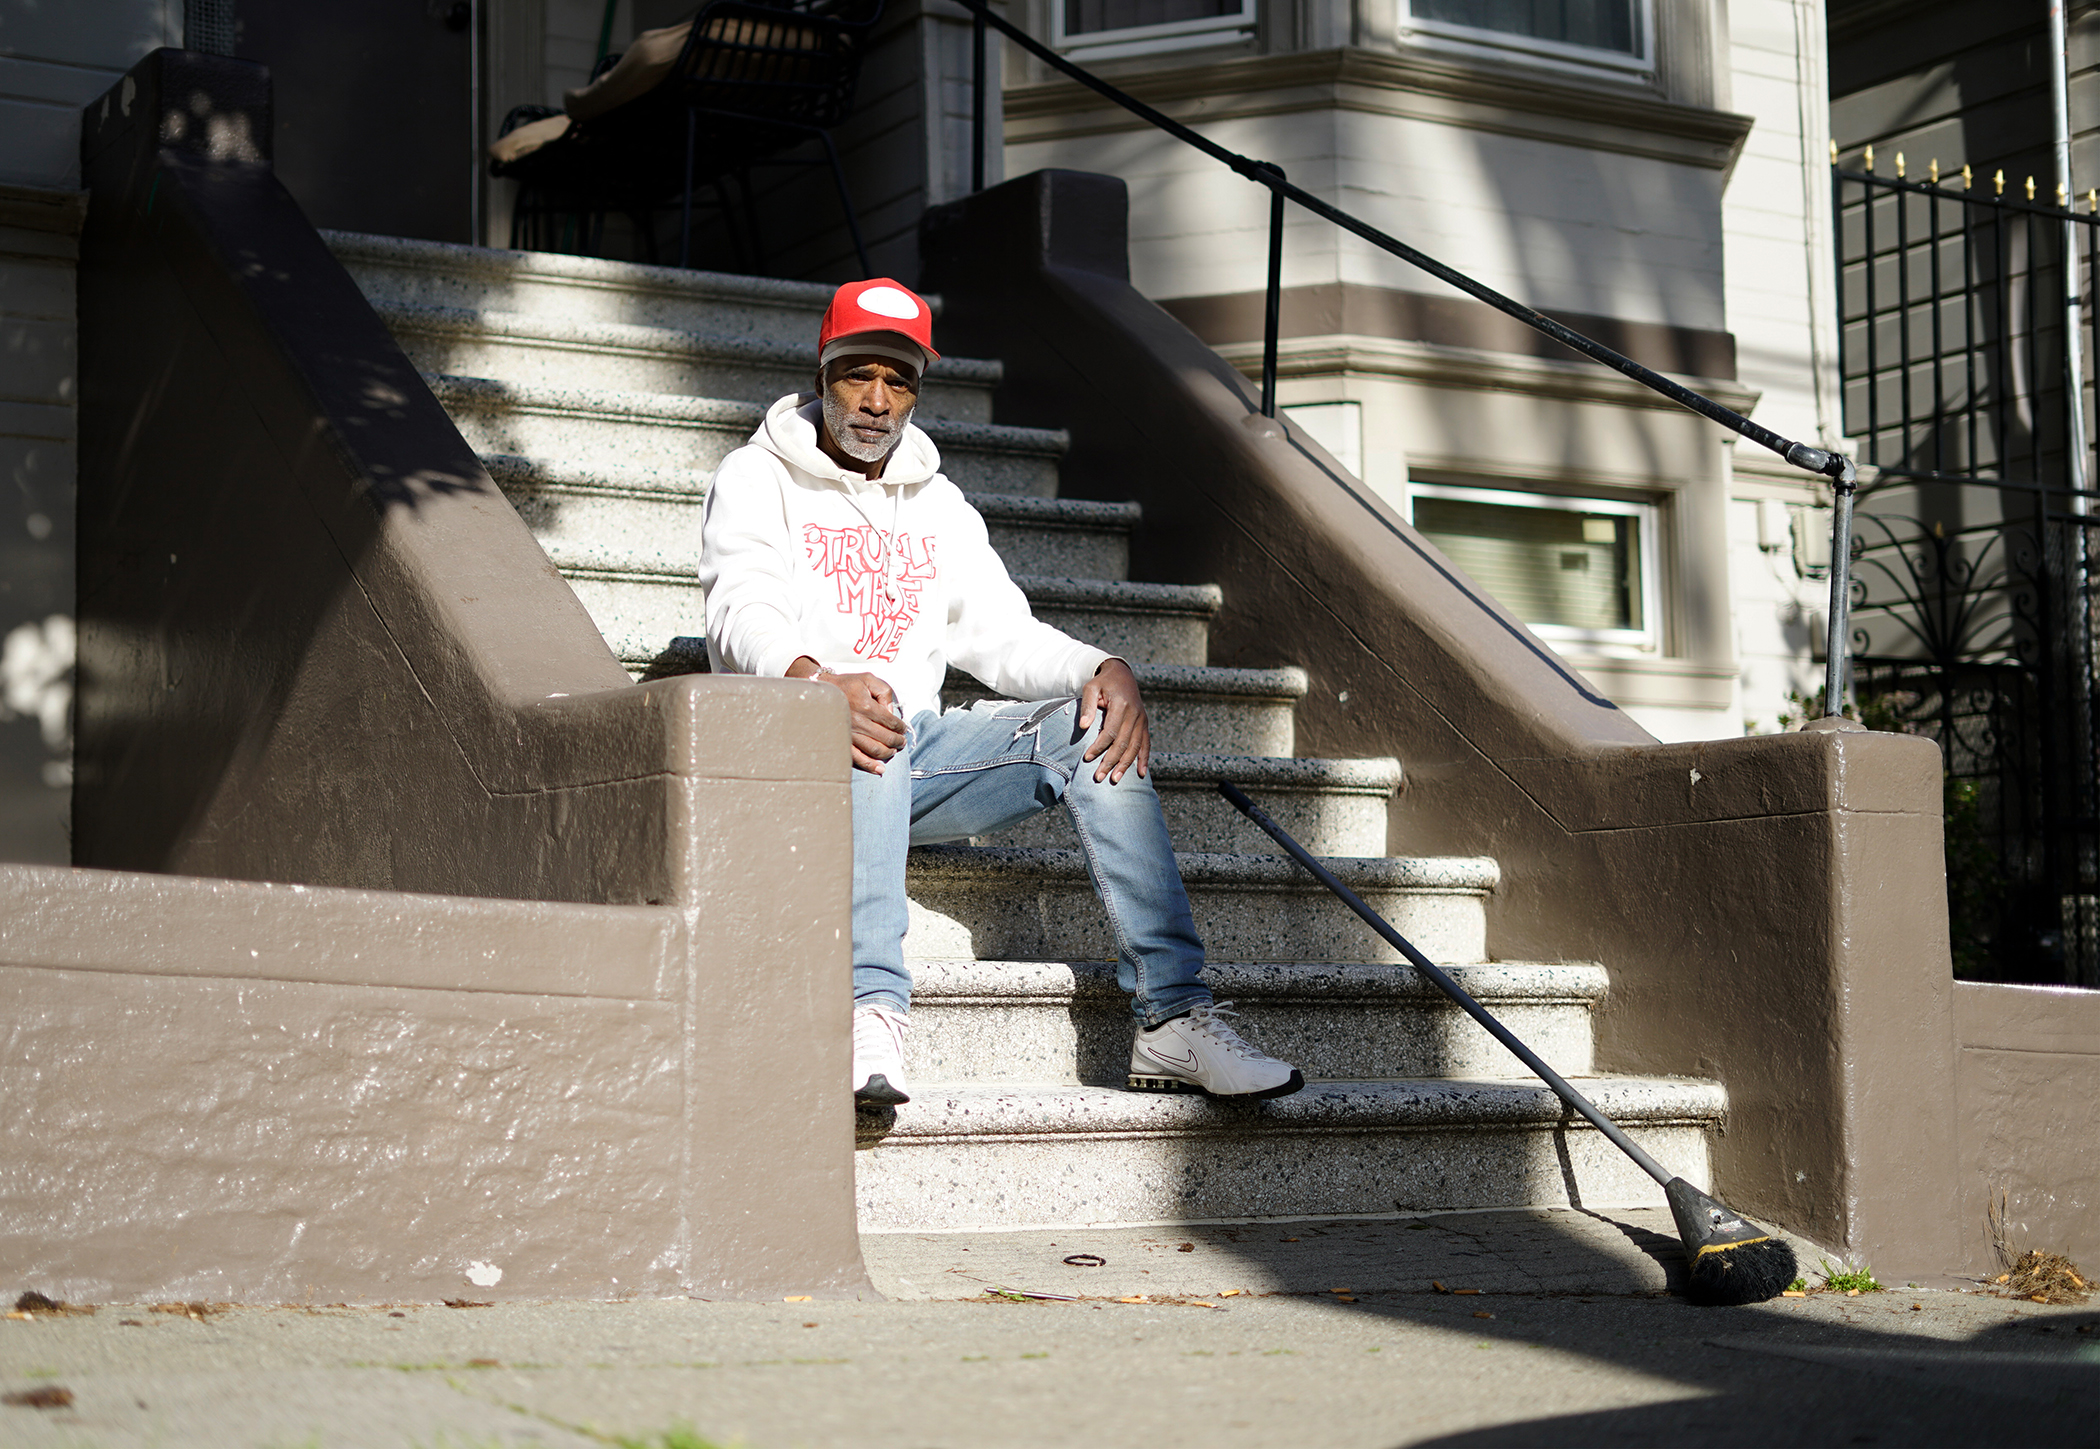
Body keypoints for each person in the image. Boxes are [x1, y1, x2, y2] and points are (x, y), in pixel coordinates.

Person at [698, 278, 1304, 1107]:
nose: (876, 401)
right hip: (792, 748)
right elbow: (740, 607)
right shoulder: (754, 476)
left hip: (912, 753)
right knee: (868, 713)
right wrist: (816, 682)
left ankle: (1172, 1018)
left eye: (899, 379)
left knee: (1095, 726)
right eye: (858, 374)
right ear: (824, 369)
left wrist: (1101, 665)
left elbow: (1002, 635)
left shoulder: (939, 503)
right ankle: (869, 1006)